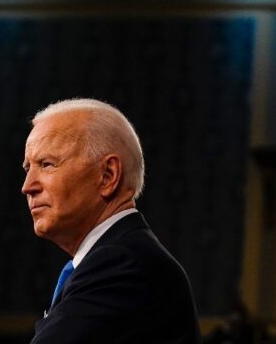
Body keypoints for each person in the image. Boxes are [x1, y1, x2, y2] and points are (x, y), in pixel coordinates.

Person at [21, 98, 200, 343]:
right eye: (27, 168)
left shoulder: (122, 264)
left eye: (47, 164)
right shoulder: (114, 258)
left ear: (107, 176)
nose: (27, 186)